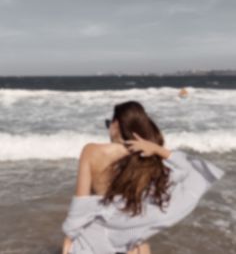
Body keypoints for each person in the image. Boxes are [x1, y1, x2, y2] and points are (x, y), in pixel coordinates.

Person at [62, 101, 224, 254]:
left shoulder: (92, 151)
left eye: (108, 124)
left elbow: (81, 205)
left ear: (116, 124)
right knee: (142, 244)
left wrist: (69, 236)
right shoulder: (149, 159)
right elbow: (193, 170)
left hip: (94, 241)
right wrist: (157, 149)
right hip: (132, 242)